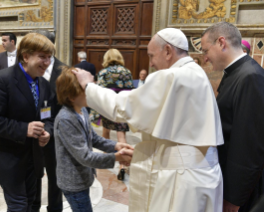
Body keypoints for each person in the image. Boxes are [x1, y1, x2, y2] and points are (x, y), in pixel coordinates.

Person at [73, 28, 224, 212]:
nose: (151, 63)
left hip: (181, 179)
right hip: (201, 173)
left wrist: (88, 86)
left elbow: (122, 107)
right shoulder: (196, 73)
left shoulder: (172, 75)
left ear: (168, 51)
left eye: (152, 56)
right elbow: (176, 131)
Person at [0, 32, 56, 211]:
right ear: (26, 56)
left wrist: (48, 132)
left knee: (33, 204)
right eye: (42, 57)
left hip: (33, 157)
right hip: (9, 158)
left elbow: (48, 117)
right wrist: (24, 129)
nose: (47, 62)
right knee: (19, 206)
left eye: (49, 57)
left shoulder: (44, 84)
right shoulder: (2, 80)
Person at [201, 22, 264, 212]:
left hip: (241, 192)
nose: (204, 58)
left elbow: (249, 145)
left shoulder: (250, 76)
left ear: (221, 42)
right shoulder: (235, 73)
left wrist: (234, 198)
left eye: (205, 50)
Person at [54, 66, 133, 212]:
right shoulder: (66, 119)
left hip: (82, 178)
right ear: (71, 96)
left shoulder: (82, 109)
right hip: (73, 183)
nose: (90, 93)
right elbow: (85, 157)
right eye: (85, 90)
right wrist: (116, 157)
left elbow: (94, 138)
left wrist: (116, 145)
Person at [30, 29, 66, 212]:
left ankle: (55, 209)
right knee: (34, 175)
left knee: (54, 177)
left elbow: (68, 106)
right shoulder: (27, 70)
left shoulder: (65, 71)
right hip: (31, 133)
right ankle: (34, 205)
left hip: (55, 135)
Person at [96, 48, 133, 180]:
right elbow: (130, 90)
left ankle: (107, 159)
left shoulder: (103, 72)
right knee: (121, 136)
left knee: (105, 133)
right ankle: (123, 166)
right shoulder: (126, 72)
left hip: (108, 106)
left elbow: (99, 91)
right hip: (121, 106)